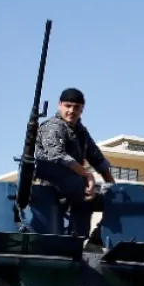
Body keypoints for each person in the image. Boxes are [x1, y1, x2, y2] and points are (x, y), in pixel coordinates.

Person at [35, 87, 115, 238]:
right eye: (68, 106)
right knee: (85, 191)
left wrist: (116, 190)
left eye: (76, 107)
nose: (71, 111)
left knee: (114, 198)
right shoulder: (52, 126)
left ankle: (95, 238)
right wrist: (87, 175)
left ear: (82, 109)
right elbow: (57, 155)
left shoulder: (80, 131)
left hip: (76, 186)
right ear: (60, 105)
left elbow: (98, 160)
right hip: (53, 186)